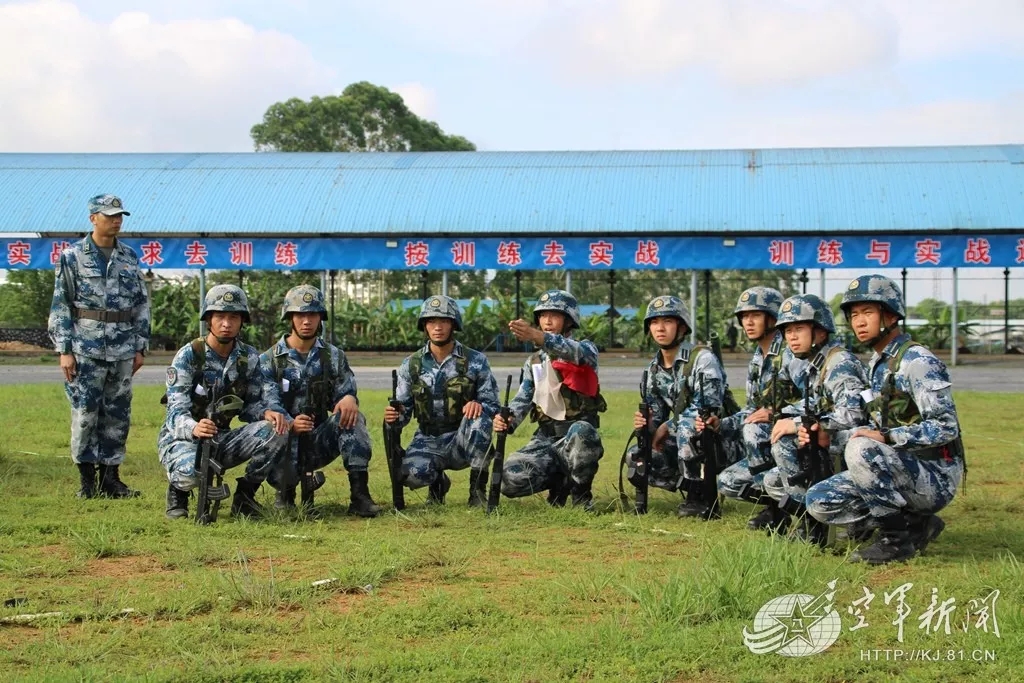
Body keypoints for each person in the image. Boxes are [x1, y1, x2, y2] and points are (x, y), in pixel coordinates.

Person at [805, 275, 965, 564]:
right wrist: (824, 429)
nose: (859, 322)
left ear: (890, 316)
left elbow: (945, 426)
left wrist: (888, 437)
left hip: (935, 473)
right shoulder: (876, 364)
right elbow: (860, 414)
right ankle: (916, 524)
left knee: (861, 447)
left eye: (868, 312)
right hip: (898, 466)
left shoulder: (917, 361)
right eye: (854, 315)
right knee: (819, 500)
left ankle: (896, 541)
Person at [47, 194, 150, 499]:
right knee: (85, 413)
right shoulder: (72, 256)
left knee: (117, 414)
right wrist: (64, 350)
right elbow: (61, 303)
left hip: (122, 349)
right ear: (93, 218)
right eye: (109, 215)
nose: (116, 220)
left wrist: (140, 346)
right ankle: (86, 482)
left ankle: (111, 478)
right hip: (85, 348)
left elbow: (141, 304)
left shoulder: (129, 257)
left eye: (119, 215)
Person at [160, 285, 290, 520]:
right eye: (220, 316)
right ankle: (177, 494)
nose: (226, 323)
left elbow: (249, 406)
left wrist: (266, 414)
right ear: (208, 319)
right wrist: (194, 427)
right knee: (191, 473)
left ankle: (246, 496)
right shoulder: (190, 355)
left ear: (242, 321)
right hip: (184, 438)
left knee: (275, 430)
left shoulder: (248, 357)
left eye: (233, 317)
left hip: (221, 437)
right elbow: (174, 412)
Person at [263, 285, 381, 517]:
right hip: (284, 440)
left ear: (320, 318)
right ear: (290, 318)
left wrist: (348, 398)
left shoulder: (333, 356)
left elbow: (345, 392)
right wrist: (290, 423)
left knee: (353, 418)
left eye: (312, 314)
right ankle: (285, 495)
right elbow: (269, 403)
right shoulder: (270, 360)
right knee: (274, 430)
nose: (306, 321)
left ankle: (360, 495)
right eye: (300, 315)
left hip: (318, 439)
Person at [761, 293, 868, 544]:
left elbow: (853, 413)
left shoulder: (839, 362)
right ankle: (811, 519)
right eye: (787, 331)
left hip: (856, 445)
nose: (792, 337)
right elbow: (817, 405)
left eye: (799, 329)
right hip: (834, 442)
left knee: (786, 442)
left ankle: (816, 525)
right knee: (772, 480)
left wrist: (797, 424)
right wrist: (786, 416)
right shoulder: (815, 364)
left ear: (820, 331)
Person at [495, 290, 606, 510]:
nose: (547, 320)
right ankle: (560, 482)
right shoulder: (534, 361)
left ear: (569, 320)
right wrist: (507, 419)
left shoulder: (585, 350)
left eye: (554, 315)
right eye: (542, 315)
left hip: (575, 436)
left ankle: (581, 495)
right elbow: (523, 398)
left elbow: (572, 351)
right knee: (509, 480)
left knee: (583, 432)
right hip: (545, 438)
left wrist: (537, 336)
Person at [383, 296, 499, 506]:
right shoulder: (411, 364)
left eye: (444, 321)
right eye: (431, 321)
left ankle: (477, 490)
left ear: (453, 324)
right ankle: (438, 482)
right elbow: (404, 410)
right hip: (427, 438)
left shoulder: (475, 361)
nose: (438, 327)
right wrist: (394, 415)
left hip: (462, 438)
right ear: (424, 326)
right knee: (409, 475)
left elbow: (493, 406)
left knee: (480, 417)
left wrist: (479, 405)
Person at [716, 287, 806, 533]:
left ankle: (781, 511)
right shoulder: (757, 358)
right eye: (744, 317)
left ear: (773, 317)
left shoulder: (791, 353)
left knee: (754, 430)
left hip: (797, 443)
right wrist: (719, 424)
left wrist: (778, 415)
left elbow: (816, 400)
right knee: (727, 482)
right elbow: (751, 410)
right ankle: (775, 504)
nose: (748, 322)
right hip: (770, 448)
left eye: (755, 315)